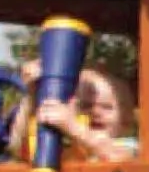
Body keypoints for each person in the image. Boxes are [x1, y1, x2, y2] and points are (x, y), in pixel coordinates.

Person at [12, 59, 140, 163]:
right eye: (85, 105)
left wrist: (74, 127)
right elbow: (17, 146)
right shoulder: (69, 148)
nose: (95, 112)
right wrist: (32, 96)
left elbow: (119, 158)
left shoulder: (128, 146)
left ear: (126, 120)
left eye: (106, 107)